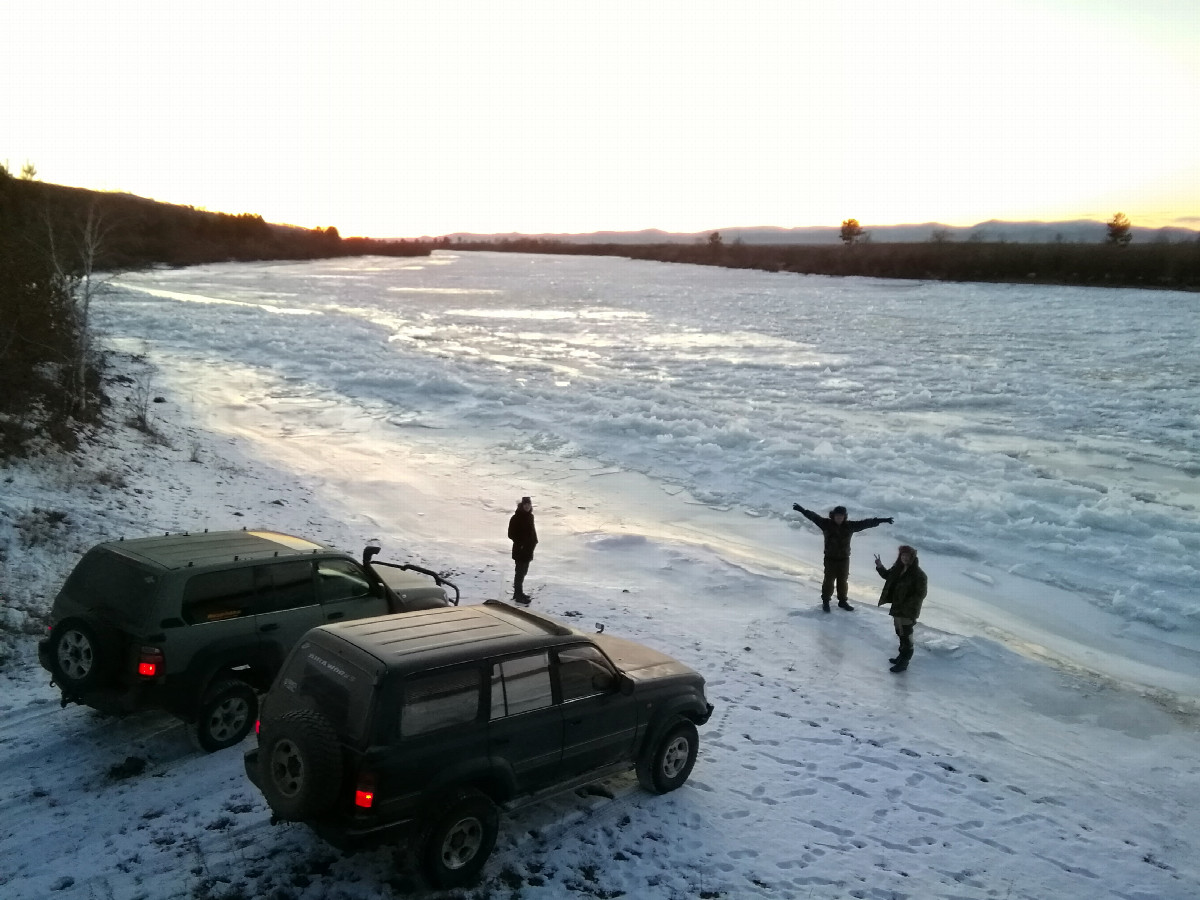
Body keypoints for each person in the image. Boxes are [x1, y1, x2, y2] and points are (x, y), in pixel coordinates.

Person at [792, 503, 893, 611]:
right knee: (829, 581)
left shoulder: (850, 526)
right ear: (833, 516)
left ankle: (842, 601)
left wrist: (882, 520)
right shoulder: (826, 524)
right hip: (830, 559)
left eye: (841, 516)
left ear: (844, 517)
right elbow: (813, 517)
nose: (839, 518)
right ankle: (826, 601)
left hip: (844, 560)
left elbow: (866, 523)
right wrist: (802, 510)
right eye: (837, 516)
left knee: (843, 581)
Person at [875, 545, 928, 673]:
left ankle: (904, 662)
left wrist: (906, 604)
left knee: (906, 636)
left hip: (908, 611)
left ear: (912, 557)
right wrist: (880, 566)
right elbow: (887, 576)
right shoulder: (898, 568)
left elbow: (920, 594)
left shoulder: (919, 574)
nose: (904, 558)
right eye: (902, 555)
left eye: (907, 556)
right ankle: (901, 656)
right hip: (897, 608)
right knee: (900, 633)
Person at [508, 496, 538, 604]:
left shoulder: (530, 516)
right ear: (522, 505)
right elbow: (510, 534)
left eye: (529, 504)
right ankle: (518, 595)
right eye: (525, 504)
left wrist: (534, 541)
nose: (527, 506)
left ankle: (518, 593)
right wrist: (521, 544)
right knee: (519, 573)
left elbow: (532, 532)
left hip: (528, 549)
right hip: (520, 550)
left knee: (523, 572)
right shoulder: (516, 517)